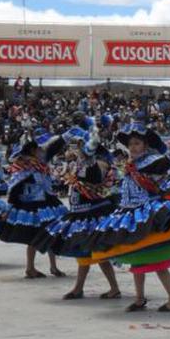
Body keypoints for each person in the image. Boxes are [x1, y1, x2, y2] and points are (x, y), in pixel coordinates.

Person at [84, 122, 170, 312]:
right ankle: (140, 298)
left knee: (156, 261)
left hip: (147, 214)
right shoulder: (130, 164)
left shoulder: (151, 161)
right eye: (130, 144)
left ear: (145, 145)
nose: (133, 147)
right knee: (137, 260)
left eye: (137, 143)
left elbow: (166, 162)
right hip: (128, 213)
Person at [32, 128, 122, 301]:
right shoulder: (76, 164)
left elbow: (96, 180)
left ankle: (104, 288)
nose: (73, 149)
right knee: (87, 253)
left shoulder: (99, 163)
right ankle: (87, 288)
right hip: (80, 213)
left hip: (94, 214)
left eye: (77, 145)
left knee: (95, 253)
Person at [0, 133, 68, 278]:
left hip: (44, 203)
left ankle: (48, 267)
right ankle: (33, 268)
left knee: (48, 234)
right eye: (39, 149)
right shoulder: (25, 166)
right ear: (33, 151)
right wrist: (9, 208)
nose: (42, 151)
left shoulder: (38, 164)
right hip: (34, 205)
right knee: (39, 236)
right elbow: (15, 188)